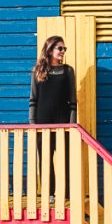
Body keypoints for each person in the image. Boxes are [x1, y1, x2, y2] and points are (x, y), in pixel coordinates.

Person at [29, 36, 77, 199]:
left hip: (63, 123)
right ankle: (48, 193)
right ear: (50, 50)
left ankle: (67, 193)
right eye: (60, 48)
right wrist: (33, 123)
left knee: (66, 159)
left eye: (64, 49)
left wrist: (72, 125)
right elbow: (33, 99)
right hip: (42, 122)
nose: (63, 52)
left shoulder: (67, 71)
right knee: (45, 159)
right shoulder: (38, 71)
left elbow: (72, 102)